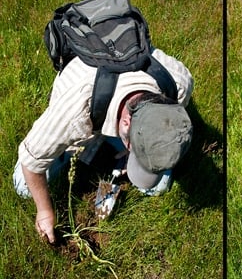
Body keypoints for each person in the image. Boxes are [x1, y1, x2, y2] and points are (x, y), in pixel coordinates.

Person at [13, 46, 194, 244]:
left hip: (115, 113)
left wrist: (136, 150)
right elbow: (31, 161)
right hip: (85, 108)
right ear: (126, 123)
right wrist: (45, 212)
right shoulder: (76, 110)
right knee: (24, 186)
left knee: (157, 186)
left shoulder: (177, 83)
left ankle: (105, 152)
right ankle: (88, 149)